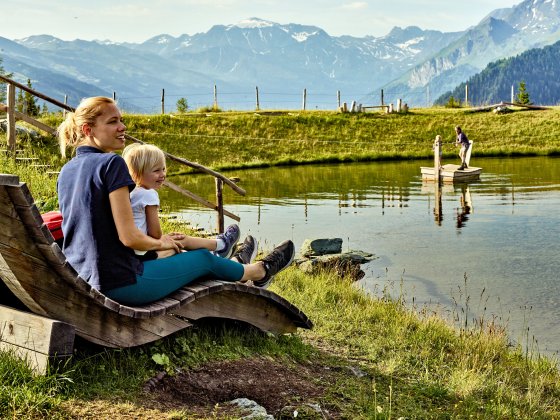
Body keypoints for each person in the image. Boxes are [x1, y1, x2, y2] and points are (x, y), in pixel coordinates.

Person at [56, 96, 294, 306]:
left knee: (182, 255)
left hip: (80, 278)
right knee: (200, 259)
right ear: (88, 130)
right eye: (113, 122)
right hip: (119, 285)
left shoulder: (67, 171)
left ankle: (232, 260)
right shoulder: (111, 164)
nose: (122, 127)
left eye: (121, 119)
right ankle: (259, 271)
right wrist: (165, 243)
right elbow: (129, 237)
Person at [121, 142, 240, 261]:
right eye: (156, 171)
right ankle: (221, 246)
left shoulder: (131, 192)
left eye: (163, 169)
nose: (162, 174)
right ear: (137, 174)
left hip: (131, 251)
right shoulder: (148, 194)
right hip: (142, 253)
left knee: (175, 239)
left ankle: (219, 248)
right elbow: (155, 234)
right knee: (179, 240)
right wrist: (164, 238)